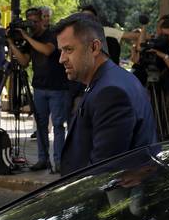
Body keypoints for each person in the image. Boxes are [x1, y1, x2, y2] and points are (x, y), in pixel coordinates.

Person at [55, 13, 157, 176]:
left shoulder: (110, 92)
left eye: (68, 49)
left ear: (94, 47)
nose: (61, 59)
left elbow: (102, 173)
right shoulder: (113, 80)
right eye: (61, 51)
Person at [7, 7, 68, 173]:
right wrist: (12, 43)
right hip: (39, 87)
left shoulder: (52, 34)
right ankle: (43, 159)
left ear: (42, 20)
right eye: (30, 21)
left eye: (35, 21)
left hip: (57, 88)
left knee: (58, 125)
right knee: (40, 126)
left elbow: (47, 50)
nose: (32, 25)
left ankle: (59, 162)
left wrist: (26, 36)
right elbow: (24, 61)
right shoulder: (30, 39)